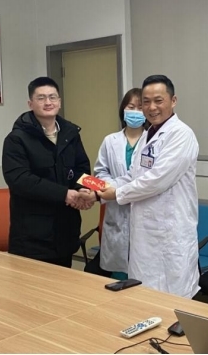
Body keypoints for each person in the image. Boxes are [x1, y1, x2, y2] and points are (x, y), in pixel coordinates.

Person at [94, 75, 200, 298]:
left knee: (172, 300)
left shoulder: (181, 134)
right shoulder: (148, 136)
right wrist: (97, 193)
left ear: (173, 101)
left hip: (169, 233)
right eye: (146, 102)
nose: (151, 107)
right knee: (143, 296)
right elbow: (132, 176)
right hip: (144, 236)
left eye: (158, 100)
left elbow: (156, 180)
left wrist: (117, 193)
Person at [2, 76, 94, 268]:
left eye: (52, 97)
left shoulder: (70, 134)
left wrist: (84, 190)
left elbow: (82, 169)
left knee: (63, 285)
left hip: (66, 231)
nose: (48, 102)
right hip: (32, 238)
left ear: (59, 101)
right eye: (41, 98)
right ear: (30, 104)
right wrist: (64, 194)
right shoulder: (17, 139)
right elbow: (20, 180)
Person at [87, 88, 147, 278]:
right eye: (131, 106)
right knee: (118, 273)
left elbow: (145, 179)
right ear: (123, 110)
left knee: (143, 273)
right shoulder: (110, 141)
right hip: (116, 211)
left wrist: (116, 190)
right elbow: (100, 172)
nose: (135, 112)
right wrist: (111, 188)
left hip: (143, 209)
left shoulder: (152, 142)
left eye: (140, 107)